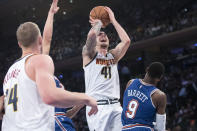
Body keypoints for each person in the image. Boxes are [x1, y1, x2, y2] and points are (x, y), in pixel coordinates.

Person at [1, 0, 98, 130]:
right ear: (39, 40)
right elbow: (50, 96)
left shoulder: (10, 73)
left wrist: (51, 14)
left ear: (19, 44)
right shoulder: (39, 62)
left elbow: (47, 40)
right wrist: (86, 98)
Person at [82, 7, 131, 131]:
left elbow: (126, 41)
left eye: (105, 34)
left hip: (115, 107)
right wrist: (98, 23)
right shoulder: (89, 54)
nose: (103, 35)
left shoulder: (113, 56)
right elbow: (92, 35)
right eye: (100, 34)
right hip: (97, 107)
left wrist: (113, 20)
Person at [121, 62, 167, 131]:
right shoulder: (159, 95)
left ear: (147, 69)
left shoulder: (130, 83)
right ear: (160, 78)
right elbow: (160, 127)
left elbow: (124, 106)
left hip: (125, 128)